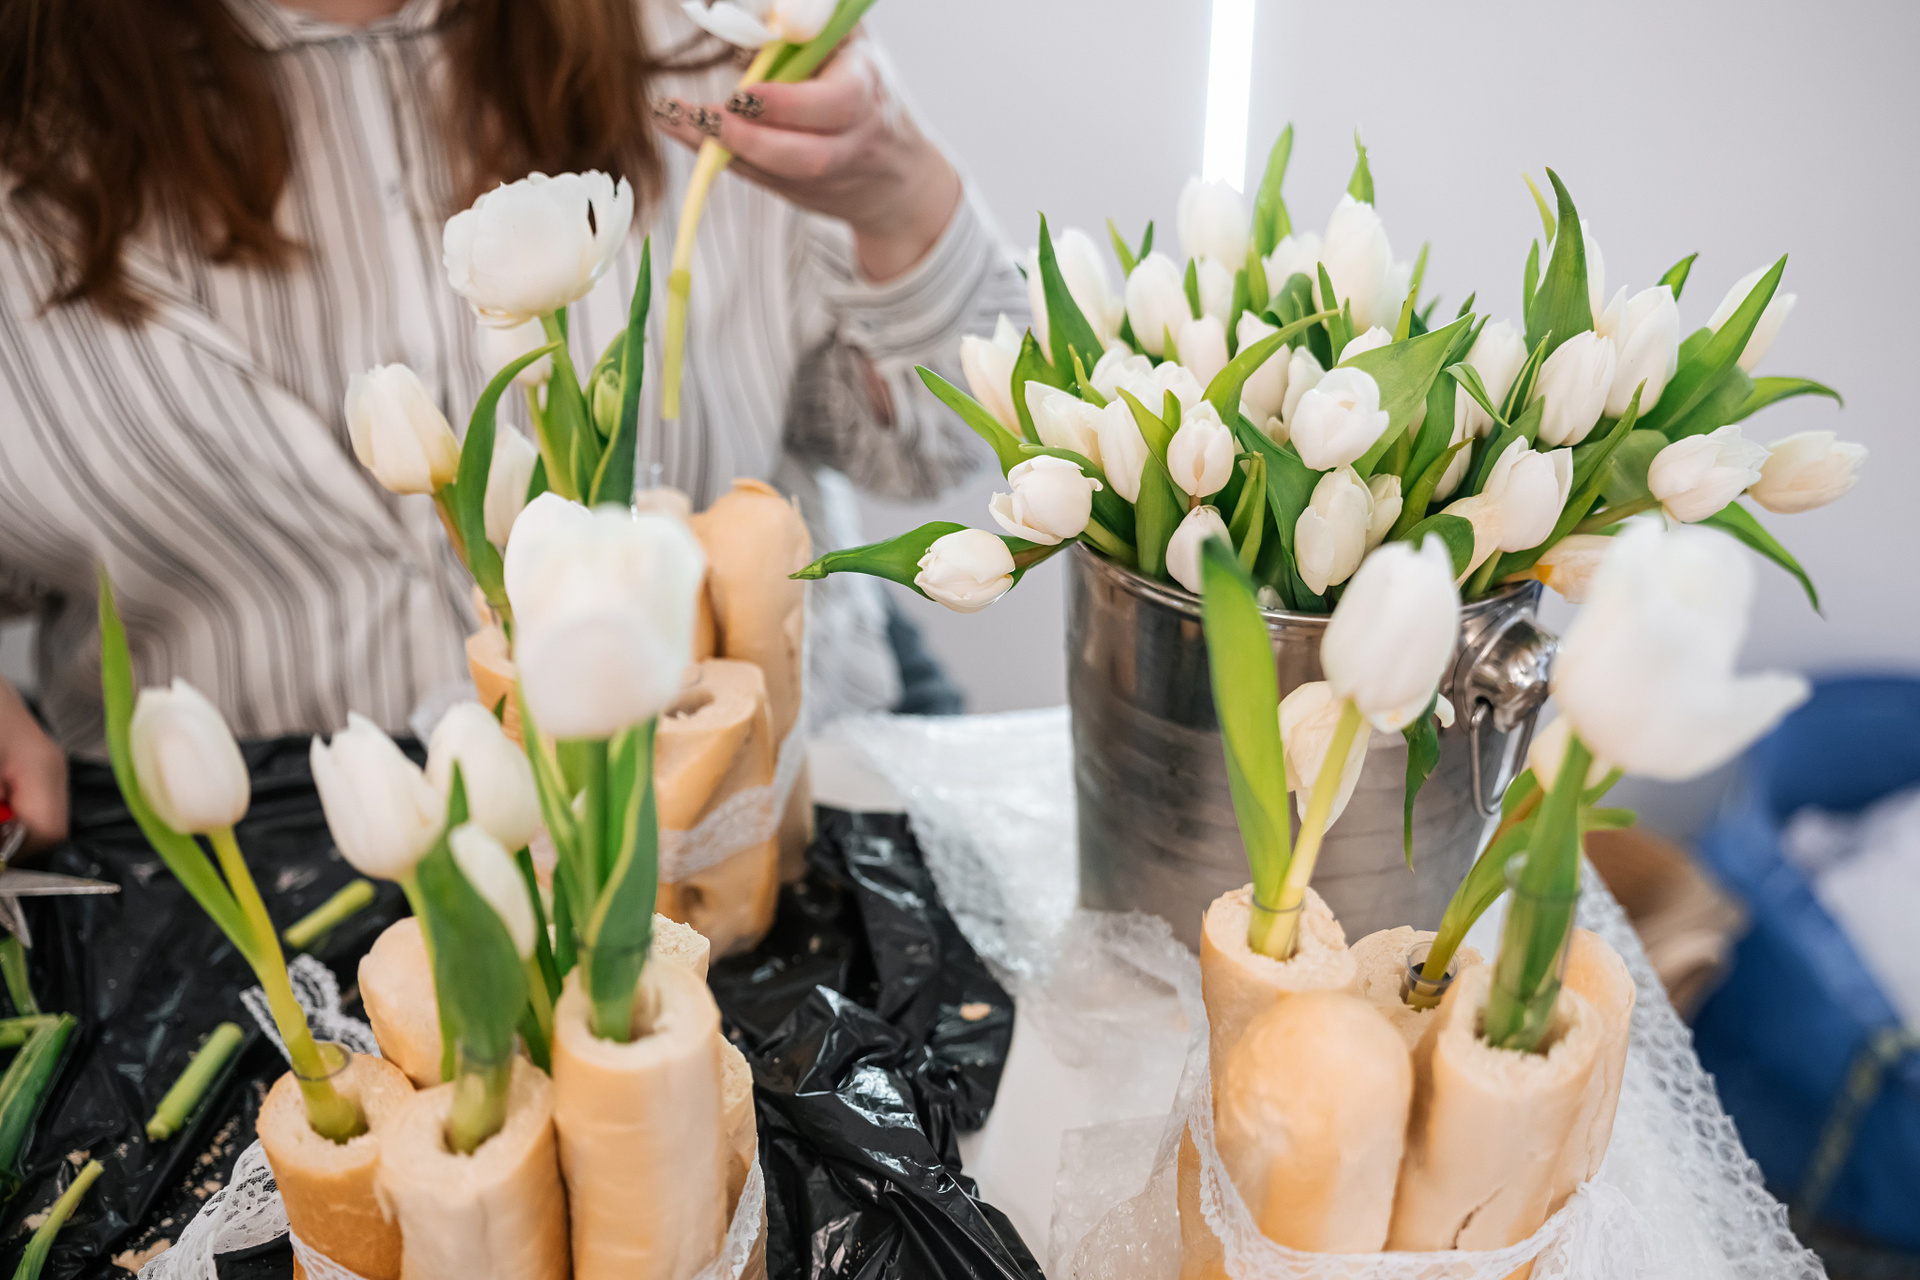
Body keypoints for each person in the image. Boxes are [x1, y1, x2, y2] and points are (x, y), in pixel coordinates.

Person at [0, 0, 1024, 851]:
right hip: (230, 877)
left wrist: (900, 203)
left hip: (766, 829)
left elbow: (943, 447)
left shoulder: (720, 33)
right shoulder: (28, 115)